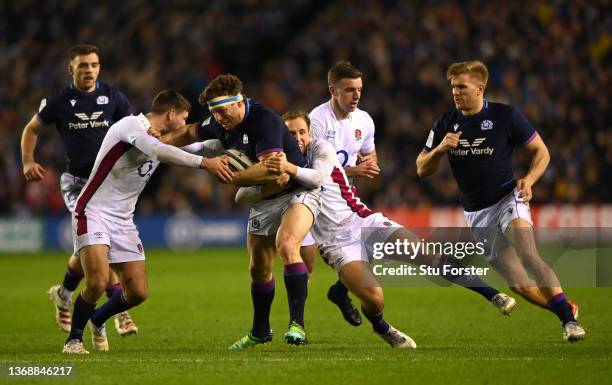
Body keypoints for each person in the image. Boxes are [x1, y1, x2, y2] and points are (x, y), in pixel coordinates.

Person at [238, 111, 520, 347]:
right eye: (291, 134)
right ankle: (382, 327)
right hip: (336, 244)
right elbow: (246, 193)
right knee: (375, 298)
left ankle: (491, 294)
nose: (298, 138)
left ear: (310, 133)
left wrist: (286, 169)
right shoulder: (276, 166)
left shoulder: (319, 149)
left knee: (426, 255)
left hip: (364, 221)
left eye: (302, 132)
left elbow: (318, 177)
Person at [416, 60, 585, 342]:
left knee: (529, 256)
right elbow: (422, 169)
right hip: (476, 214)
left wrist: (529, 180)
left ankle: (569, 323)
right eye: (453, 87)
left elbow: (541, 152)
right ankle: (565, 308)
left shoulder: (506, 116)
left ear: (480, 88)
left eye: (461, 87)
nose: (455, 92)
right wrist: (441, 148)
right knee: (519, 285)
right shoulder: (446, 122)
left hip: (508, 198)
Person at [62, 89, 232, 354]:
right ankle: (74, 340)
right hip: (93, 211)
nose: (184, 125)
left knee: (138, 293)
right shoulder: (130, 125)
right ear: (171, 113)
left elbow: (201, 144)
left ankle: (98, 319)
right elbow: (159, 151)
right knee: (96, 282)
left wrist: (236, 140)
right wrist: (205, 164)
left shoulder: (162, 137)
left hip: (123, 219)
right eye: (183, 118)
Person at [159, 74, 321, 349]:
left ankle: (297, 326)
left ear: (239, 102)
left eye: (222, 110)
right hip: (263, 195)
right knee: (258, 269)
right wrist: (155, 139)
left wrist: (232, 175)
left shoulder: (265, 120)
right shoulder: (219, 122)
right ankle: (260, 331)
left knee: (287, 244)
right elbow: (186, 132)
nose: (219, 117)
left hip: (296, 190)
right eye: (214, 112)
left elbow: (272, 167)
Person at [20, 44, 140, 337]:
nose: (89, 70)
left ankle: (63, 293)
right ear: (70, 68)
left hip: (108, 184)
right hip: (78, 184)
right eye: (83, 65)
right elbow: (31, 129)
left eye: (94, 65)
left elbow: (134, 129)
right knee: (101, 243)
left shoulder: (113, 97)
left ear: (100, 67)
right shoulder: (60, 101)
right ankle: (120, 310)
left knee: (87, 249)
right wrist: (27, 161)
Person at [302, 61, 380, 327]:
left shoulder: (364, 120)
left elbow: (369, 152)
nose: (356, 95)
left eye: (359, 89)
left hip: (343, 201)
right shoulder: (317, 120)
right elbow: (317, 170)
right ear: (332, 91)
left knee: (366, 251)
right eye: (349, 90)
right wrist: (356, 170)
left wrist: (368, 164)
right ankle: (297, 325)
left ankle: (340, 290)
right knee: (305, 265)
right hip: (314, 202)